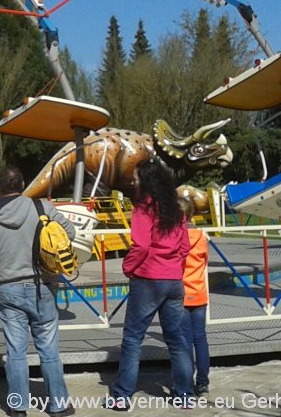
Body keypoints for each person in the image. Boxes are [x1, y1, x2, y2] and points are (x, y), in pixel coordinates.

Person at [0, 166, 77, 417]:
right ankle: (58, 405)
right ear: (22, 185)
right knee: (49, 349)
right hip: (43, 286)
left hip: (8, 289)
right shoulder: (41, 208)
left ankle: (18, 406)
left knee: (16, 352)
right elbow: (69, 234)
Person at [108, 158, 194, 412]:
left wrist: (128, 267)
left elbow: (142, 245)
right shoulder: (175, 210)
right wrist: (173, 268)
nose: (132, 181)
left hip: (148, 280)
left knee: (133, 339)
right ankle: (184, 395)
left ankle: (122, 396)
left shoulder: (144, 209)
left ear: (146, 181)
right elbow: (184, 247)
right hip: (173, 281)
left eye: (136, 177)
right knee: (177, 341)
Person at [178, 198, 210, 397]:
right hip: (199, 293)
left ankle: (185, 383)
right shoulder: (201, 237)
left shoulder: (174, 238)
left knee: (184, 341)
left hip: (180, 295)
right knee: (200, 339)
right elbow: (205, 260)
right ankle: (203, 382)